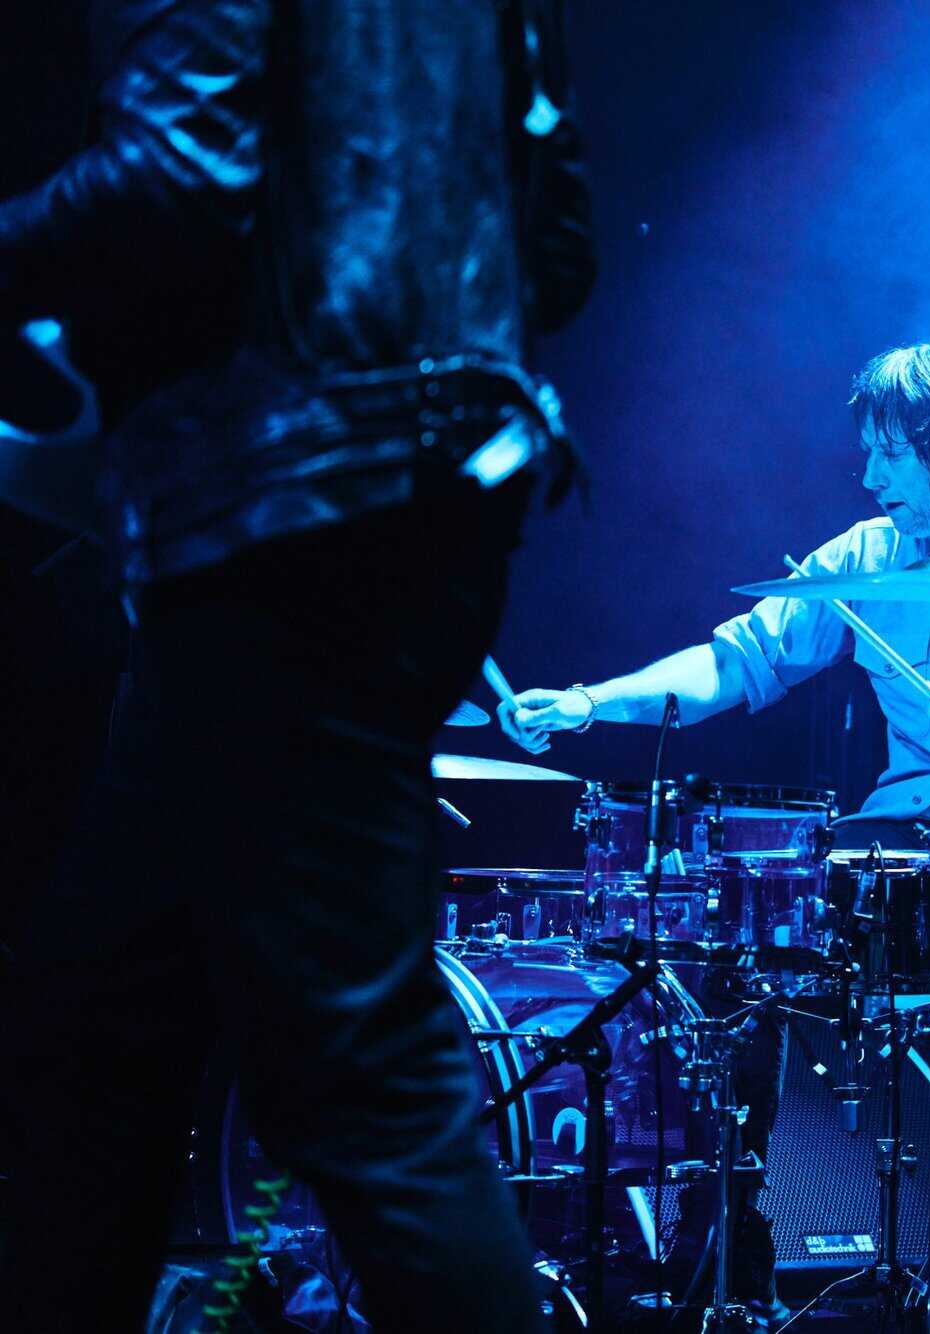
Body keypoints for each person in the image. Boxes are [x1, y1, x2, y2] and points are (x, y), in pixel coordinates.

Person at [0, 2, 593, 1330]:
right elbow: (558, 251)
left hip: (277, 514)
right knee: (96, 1032)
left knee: (363, 1069)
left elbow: (173, 178)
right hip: (422, 489)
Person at [502, 336, 930, 1287]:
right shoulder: (863, 557)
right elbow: (733, 662)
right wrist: (585, 702)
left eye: (888, 454)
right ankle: (729, 1227)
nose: (868, 477)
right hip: (912, 829)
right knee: (750, 923)